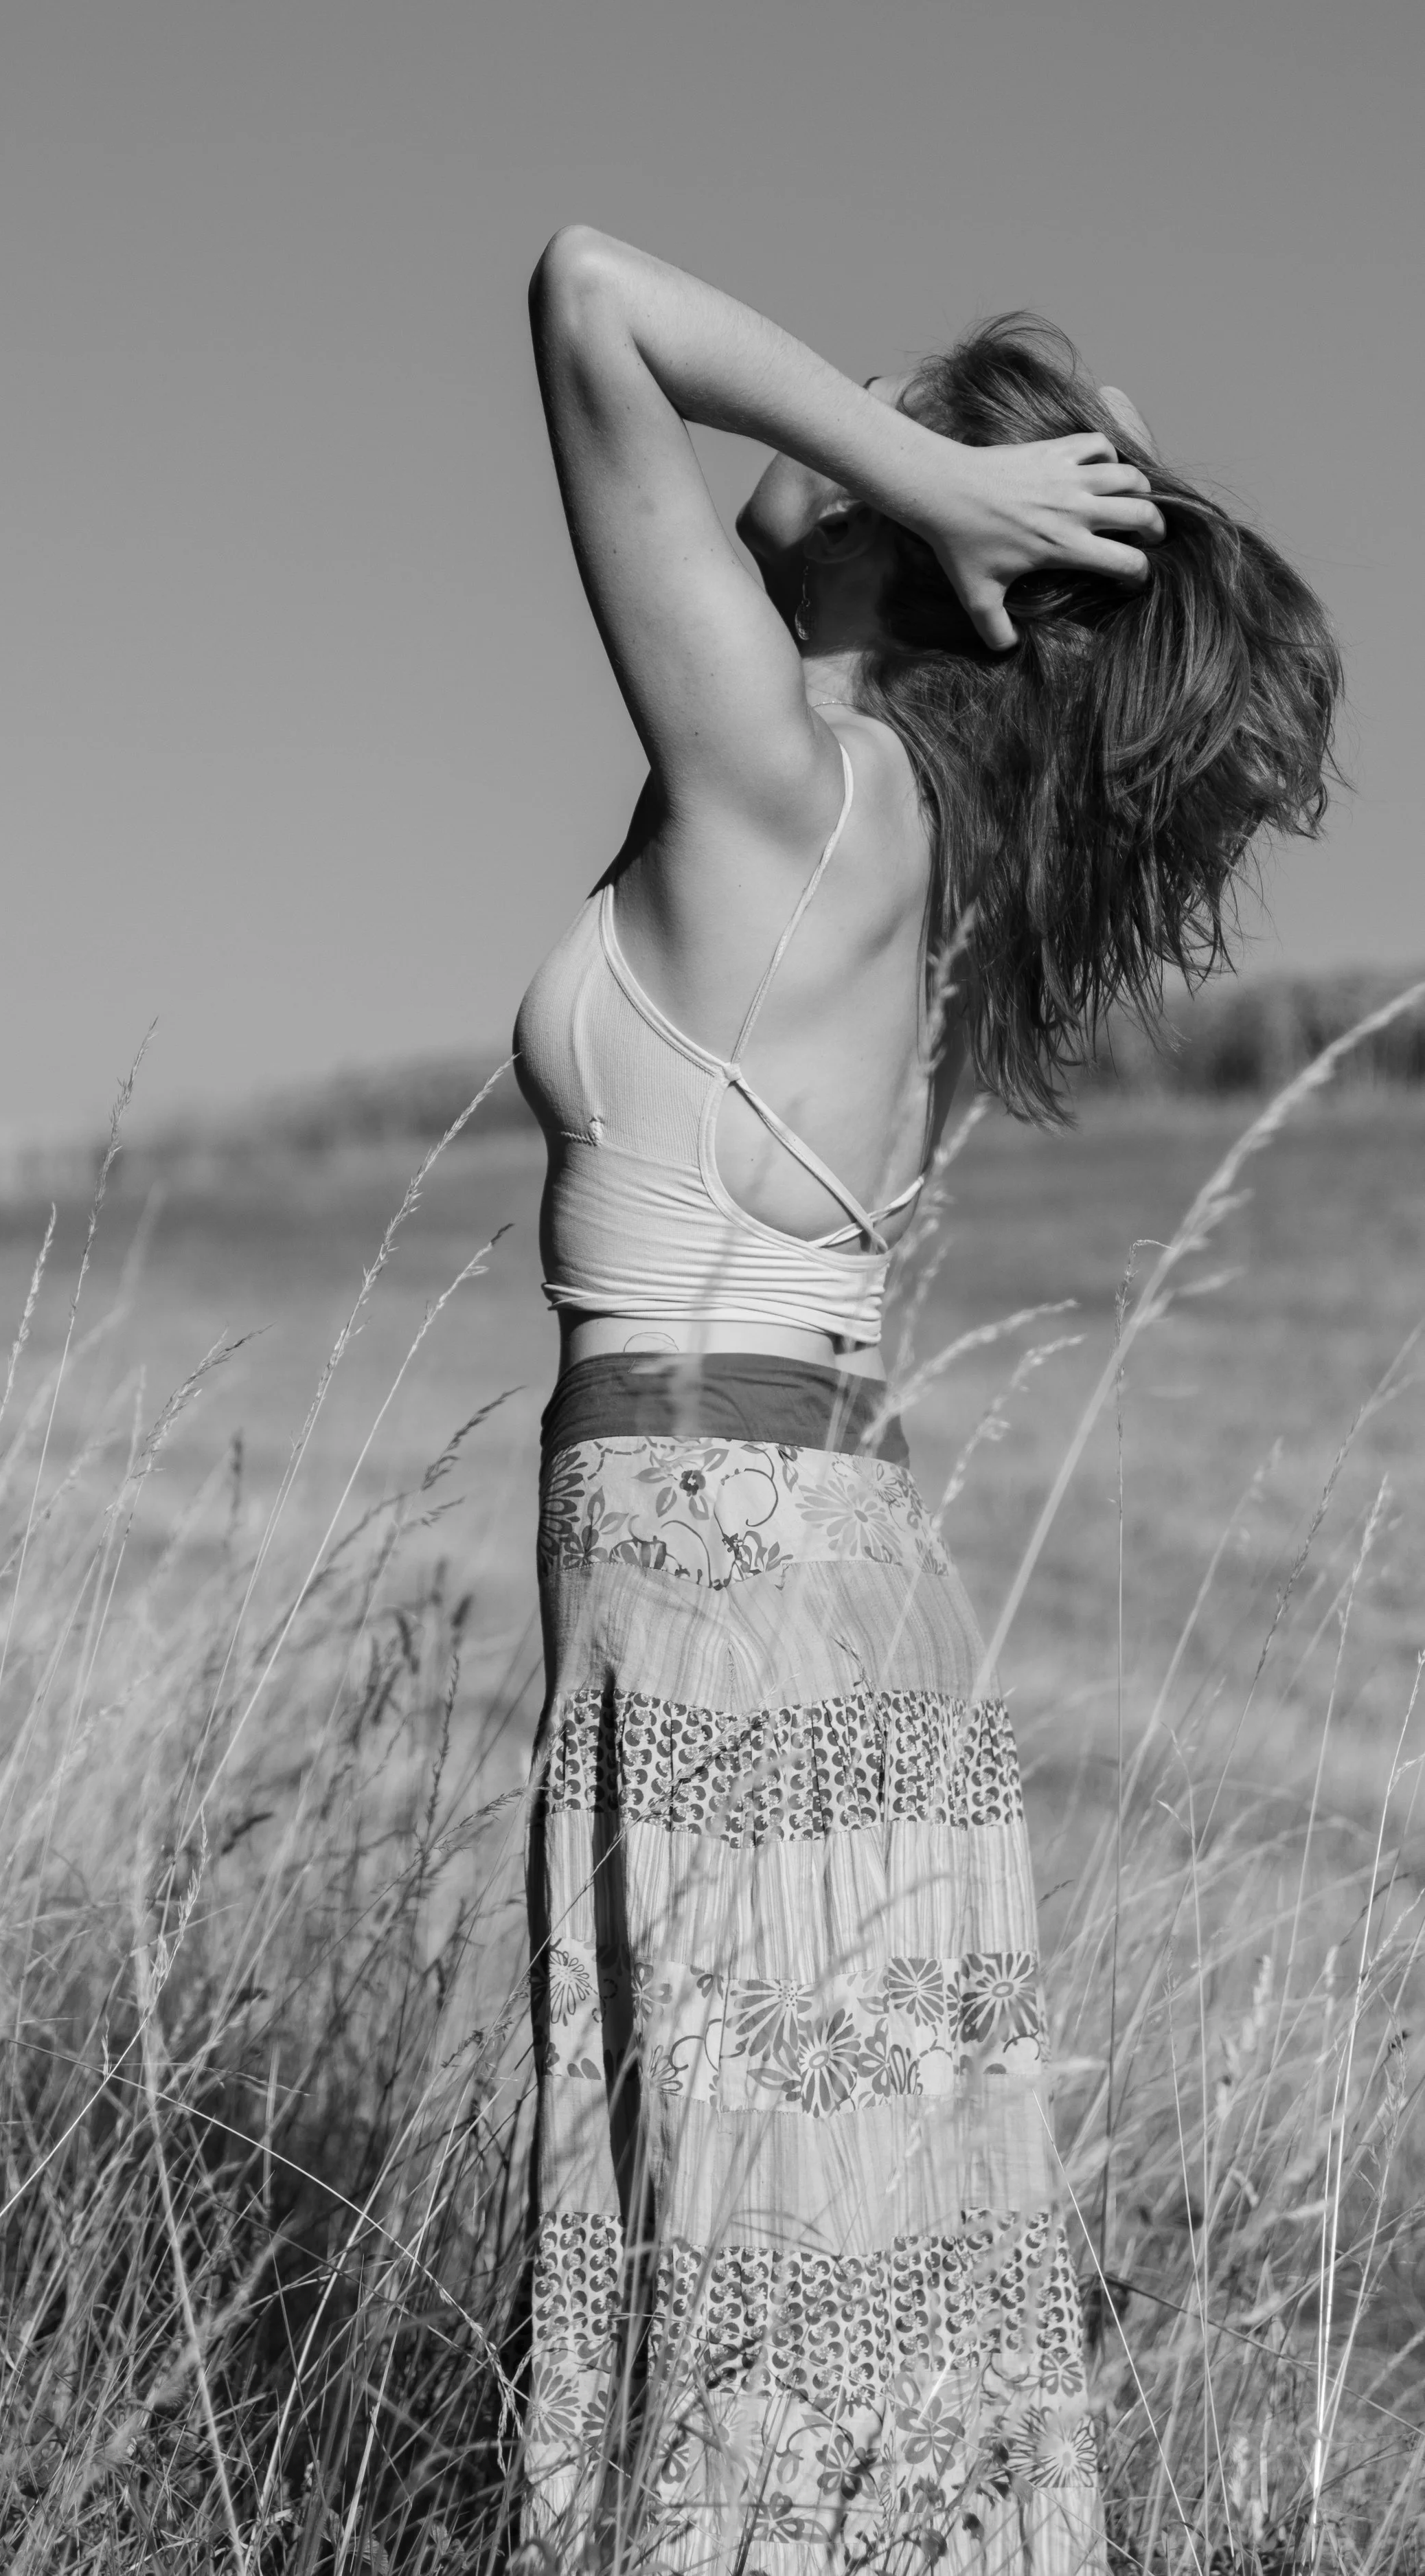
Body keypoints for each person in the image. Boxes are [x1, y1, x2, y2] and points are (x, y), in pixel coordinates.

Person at [509, 227, 1339, 2575]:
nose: (812, 424)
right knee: (840, 2318)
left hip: (718, 1577)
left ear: (921, 529)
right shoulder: (903, 831)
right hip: (821, 1578)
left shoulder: (779, 778)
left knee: (740, 2321)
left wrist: (930, 477)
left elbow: (589, 296)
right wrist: (918, 477)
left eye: (862, 416)